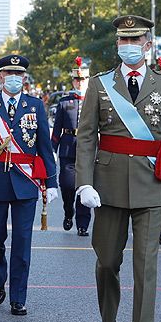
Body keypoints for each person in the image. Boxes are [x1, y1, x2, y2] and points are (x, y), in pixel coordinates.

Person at [75, 15, 161, 322]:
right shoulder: (100, 85)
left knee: (145, 269)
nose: (128, 46)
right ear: (117, 46)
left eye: (134, 41)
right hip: (107, 188)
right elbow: (86, 136)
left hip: (151, 189)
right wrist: (84, 182)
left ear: (148, 46)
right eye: (123, 41)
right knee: (108, 262)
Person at [0, 54, 58, 316]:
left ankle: (18, 296)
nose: (14, 79)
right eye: (9, 74)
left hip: (26, 182)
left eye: (19, 75)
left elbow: (44, 147)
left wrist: (50, 182)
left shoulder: (35, 105)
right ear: (1, 77)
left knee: (23, 241)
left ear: (24, 79)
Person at [51, 57, 91, 236]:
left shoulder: (95, 100)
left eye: (83, 80)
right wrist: (52, 150)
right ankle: (69, 211)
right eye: (77, 80)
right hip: (68, 148)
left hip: (88, 150)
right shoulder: (64, 102)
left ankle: (83, 224)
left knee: (85, 186)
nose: (80, 83)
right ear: (73, 81)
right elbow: (57, 128)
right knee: (67, 186)